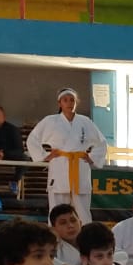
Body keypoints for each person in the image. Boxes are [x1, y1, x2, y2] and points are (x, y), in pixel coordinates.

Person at [26, 88, 108, 223]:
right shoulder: (51, 121)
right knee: (57, 209)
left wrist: (91, 157)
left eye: (72, 100)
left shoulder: (85, 121)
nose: (69, 103)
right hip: (59, 166)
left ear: (77, 102)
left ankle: (86, 239)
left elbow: (102, 142)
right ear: (59, 103)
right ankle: (56, 240)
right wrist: (45, 155)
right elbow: (32, 139)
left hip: (80, 165)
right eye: (65, 100)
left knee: (82, 211)